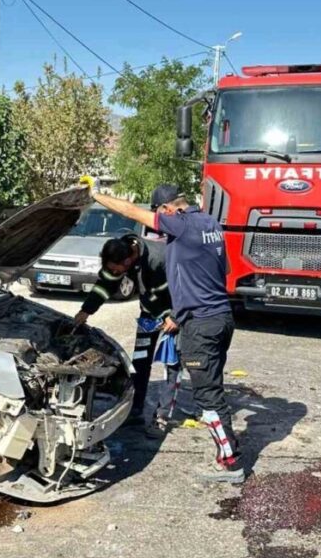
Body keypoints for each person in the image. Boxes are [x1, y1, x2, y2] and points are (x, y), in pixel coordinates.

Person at [86, 180, 243, 484]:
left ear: (169, 209)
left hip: (200, 324)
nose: (161, 227)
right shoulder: (210, 223)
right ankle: (228, 453)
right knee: (212, 390)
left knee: (207, 397)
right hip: (221, 317)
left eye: (161, 216)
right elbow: (222, 271)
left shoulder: (181, 225)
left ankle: (230, 463)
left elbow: (131, 210)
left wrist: (94, 194)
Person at [72, 233, 177, 433]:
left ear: (128, 260)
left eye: (115, 268)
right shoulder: (120, 254)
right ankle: (135, 410)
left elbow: (177, 289)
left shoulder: (158, 258)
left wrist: (174, 317)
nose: (113, 272)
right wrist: (86, 311)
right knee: (140, 360)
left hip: (175, 314)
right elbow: (104, 286)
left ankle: (162, 415)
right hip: (150, 315)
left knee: (172, 363)